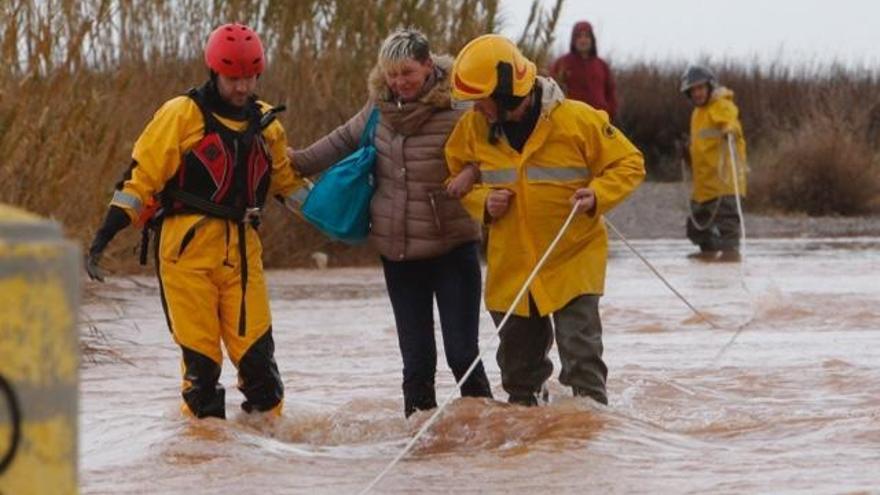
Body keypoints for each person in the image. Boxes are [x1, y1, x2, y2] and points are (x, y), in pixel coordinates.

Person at [84, 23, 310, 419]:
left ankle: (264, 461)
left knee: (261, 370)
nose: (242, 88)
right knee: (202, 371)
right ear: (214, 72)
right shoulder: (180, 115)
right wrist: (104, 236)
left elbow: (287, 185)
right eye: (232, 78)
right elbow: (140, 180)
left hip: (242, 253)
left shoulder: (267, 125)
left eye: (249, 78)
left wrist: (344, 214)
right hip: (185, 254)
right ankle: (204, 461)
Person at [288, 30, 493, 417]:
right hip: (398, 254)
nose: (398, 82)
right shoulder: (379, 108)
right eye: (391, 73)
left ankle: (484, 443)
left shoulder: (460, 108)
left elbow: (495, 152)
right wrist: (294, 161)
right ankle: (418, 448)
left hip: (452, 248)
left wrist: (473, 171)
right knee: (416, 363)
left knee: (462, 355)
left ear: (428, 67)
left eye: (407, 73)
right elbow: (340, 141)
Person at [445, 34, 645, 407]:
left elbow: (630, 162)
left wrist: (598, 194)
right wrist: (483, 202)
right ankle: (533, 452)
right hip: (513, 270)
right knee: (519, 376)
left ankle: (590, 436)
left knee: (581, 359)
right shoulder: (472, 129)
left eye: (481, 101)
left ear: (505, 95)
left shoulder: (577, 120)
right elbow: (454, 177)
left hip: (573, 259)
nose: (475, 109)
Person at [680, 65, 748, 262]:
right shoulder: (697, 114)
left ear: (710, 87)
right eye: (693, 90)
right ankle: (711, 262)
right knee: (696, 230)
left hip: (725, 185)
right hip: (703, 187)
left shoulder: (721, 105)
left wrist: (729, 130)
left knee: (728, 231)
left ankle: (729, 261)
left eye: (701, 88)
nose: (698, 93)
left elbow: (731, 122)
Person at [549, 21, 618, 120]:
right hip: (572, 120)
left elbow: (611, 92)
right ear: (574, 40)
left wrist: (610, 113)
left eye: (586, 36)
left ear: (592, 39)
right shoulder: (562, 63)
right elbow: (551, 89)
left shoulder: (602, 65)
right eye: (579, 36)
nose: (583, 40)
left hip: (599, 121)